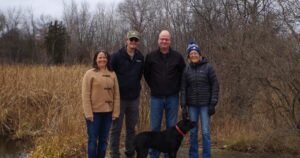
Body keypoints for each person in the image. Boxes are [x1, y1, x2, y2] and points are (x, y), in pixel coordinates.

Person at [144, 30, 186, 158]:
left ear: (170, 41)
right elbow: (147, 74)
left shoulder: (177, 57)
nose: (164, 41)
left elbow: (183, 75)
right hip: (156, 97)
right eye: (162, 39)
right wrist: (155, 86)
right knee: (155, 128)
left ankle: (169, 155)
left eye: (166, 39)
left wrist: (176, 88)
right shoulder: (151, 56)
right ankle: (154, 155)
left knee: (171, 129)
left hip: (172, 97)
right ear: (158, 40)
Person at [180, 42, 219, 158]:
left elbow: (215, 85)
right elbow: (183, 89)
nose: (193, 55)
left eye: (195, 53)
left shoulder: (208, 67)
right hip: (192, 106)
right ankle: (193, 155)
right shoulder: (186, 70)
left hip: (205, 106)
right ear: (188, 56)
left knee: (206, 132)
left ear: (199, 54)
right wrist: (183, 106)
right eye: (191, 53)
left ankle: (206, 156)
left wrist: (213, 103)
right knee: (192, 132)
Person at [109, 30, 144, 158]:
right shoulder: (116, 56)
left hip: (134, 98)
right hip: (119, 99)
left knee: (131, 128)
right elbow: (109, 75)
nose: (133, 42)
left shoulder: (140, 57)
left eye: (136, 40)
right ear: (126, 41)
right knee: (116, 129)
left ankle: (130, 152)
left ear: (138, 42)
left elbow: (139, 76)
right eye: (131, 40)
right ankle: (114, 154)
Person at [82, 50, 120, 158]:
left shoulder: (112, 74)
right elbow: (85, 94)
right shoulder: (89, 74)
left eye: (104, 57)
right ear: (96, 59)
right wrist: (88, 113)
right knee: (93, 141)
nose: (102, 59)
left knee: (103, 142)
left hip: (108, 113)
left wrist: (115, 112)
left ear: (107, 60)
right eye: (100, 57)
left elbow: (116, 94)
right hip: (94, 114)